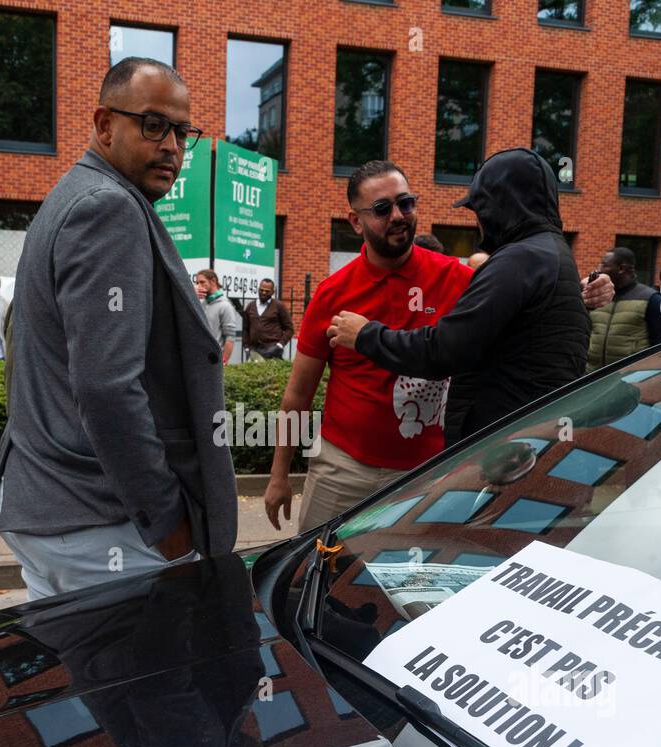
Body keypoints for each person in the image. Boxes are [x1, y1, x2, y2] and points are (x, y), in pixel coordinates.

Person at [0, 56, 237, 599]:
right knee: (152, 684)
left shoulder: (74, 196)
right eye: (152, 124)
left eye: (183, 131)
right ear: (103, 125)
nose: (171, 144)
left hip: (55, 510)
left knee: (89, 684)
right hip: (101, 522)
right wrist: (165, 520)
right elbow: (106, 386)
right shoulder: (108, 208)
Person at [326, 148, 611, 454]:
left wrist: (366, 335)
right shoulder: (549, 254)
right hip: (530, 440)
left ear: (498, 207)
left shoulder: (521, 259)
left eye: (480, 211)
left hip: (504, 449)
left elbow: (444, 350)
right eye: (382, 209)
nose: (478, 224)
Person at [262, 160, 474, 532]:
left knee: (410, 584)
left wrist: (586, 292)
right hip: (342, 471)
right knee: (315, 574)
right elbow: (297, 395)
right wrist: (279, 475)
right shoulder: (333, 294)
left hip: (427, 473)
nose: (398, 215)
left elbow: (522, 303)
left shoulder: (457, 279)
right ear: (355, 222)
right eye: (381, 209)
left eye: (405, 203)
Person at [585, 246, 661, 372]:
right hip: (592, 377)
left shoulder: (651, 299)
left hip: (630, 379)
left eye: (604, 265)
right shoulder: (597, 297)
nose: (599, 270)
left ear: (621, 269)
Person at [194, 269, 238, 364]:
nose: (198, 286)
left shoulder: (225, 306)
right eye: (197, 283)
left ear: (213, 281)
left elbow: (230, 337)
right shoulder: (201, 303)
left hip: (214, 361)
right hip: (199, 358)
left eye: (202, 282)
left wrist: (223, 362)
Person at [243, 278, 293, 360]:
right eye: (261, 290)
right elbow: (245, 329)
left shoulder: (278, 306)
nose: (263, 293)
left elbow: (289, 329)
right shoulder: (250, 306)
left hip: (273, 350)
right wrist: (246, 347)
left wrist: (280, 345)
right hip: (254, 350)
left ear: (273, 292)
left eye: (267, 291)